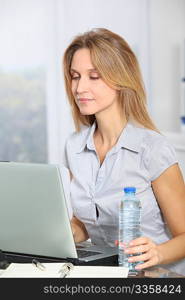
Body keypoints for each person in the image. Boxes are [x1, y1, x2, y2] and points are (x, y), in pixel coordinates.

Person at [62, 28, 185, 275]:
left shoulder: (152, 149)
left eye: (94, 77)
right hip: (107, 273)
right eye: (75, 76)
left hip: (158, 276)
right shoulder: (73, 147)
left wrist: (157, 252)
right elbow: (87, 222)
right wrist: (65, 232)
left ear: (120, 78)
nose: (79, 87)